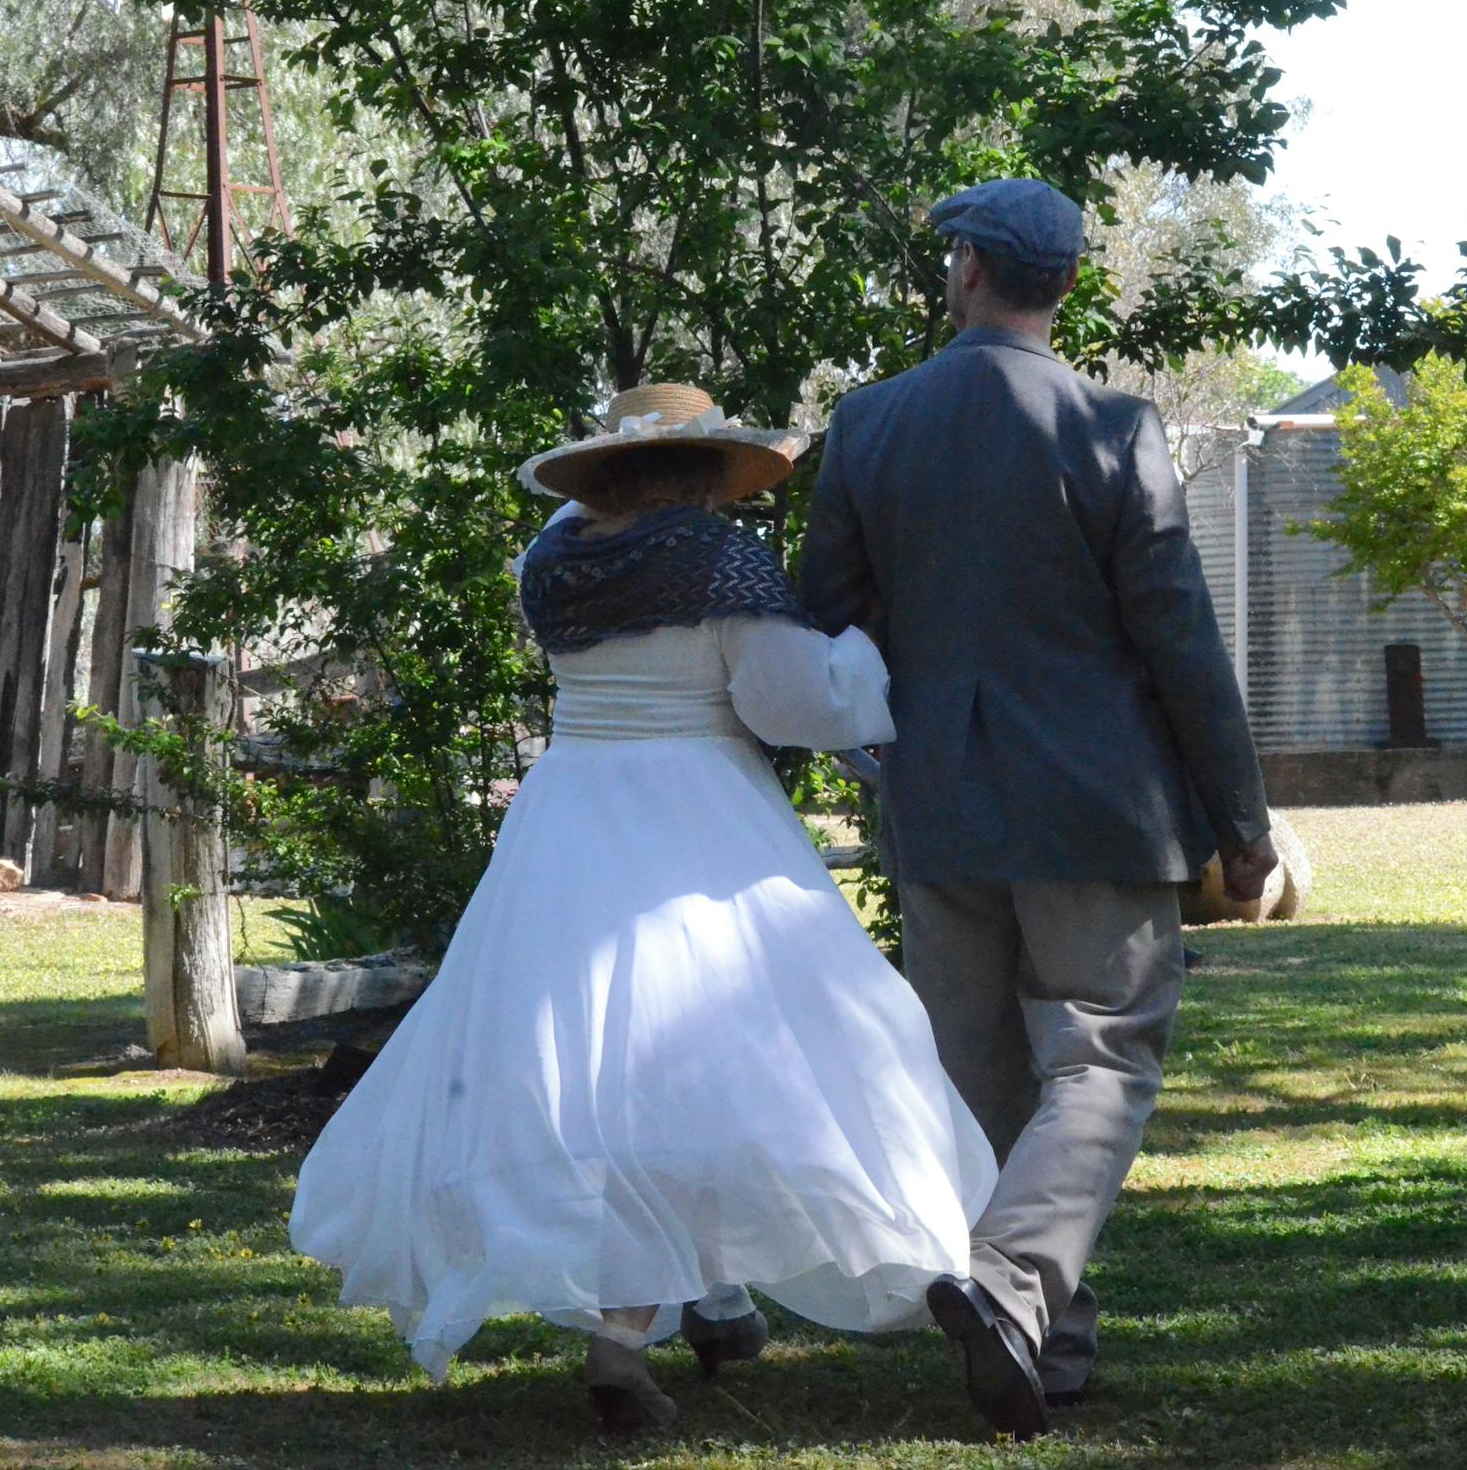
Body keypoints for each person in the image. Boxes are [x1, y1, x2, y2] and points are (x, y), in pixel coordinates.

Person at [290, 383, 997, 1436]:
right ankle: (648, 1322)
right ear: (703, 466)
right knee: (731, 1054)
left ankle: (690, 1309)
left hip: (571, 807)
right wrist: (859, 659)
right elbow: (785, 703)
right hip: (696, 809)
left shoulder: (555, 557)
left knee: (602, 1074)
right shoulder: (717, 562)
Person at [801, 178, 1278, 1440]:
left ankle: (1044, 1351)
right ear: (1059, 286)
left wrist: (865, 755)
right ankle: (1012, 1293)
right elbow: (1178, 640)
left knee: (983, 1076)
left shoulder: (867, 426)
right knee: (1103, 1049)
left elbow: (823, 621)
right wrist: (1241, 818)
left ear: (966, 270)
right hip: (1095, 803)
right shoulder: (1114, 429)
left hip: (940, 803)